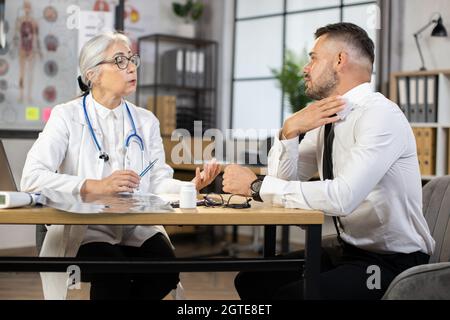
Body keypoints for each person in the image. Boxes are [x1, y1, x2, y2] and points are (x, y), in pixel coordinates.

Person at [222, 22, 435, 300]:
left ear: (339, 60)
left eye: (313, 58)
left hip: (391, 263)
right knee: (253, 281)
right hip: (347, 250)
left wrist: (257, 186)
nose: (305, 68)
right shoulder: (328, 118)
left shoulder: (381, 115)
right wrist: (289, 132)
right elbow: (283, 185)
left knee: (291, 296)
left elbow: (342, 197)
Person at [21, 32, 220, 300]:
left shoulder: (145, 120)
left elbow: (158, 180)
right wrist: (96, 186)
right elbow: (32, 178)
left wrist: (189, 187)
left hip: (135, 224)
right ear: (92, 74)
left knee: (166, 272)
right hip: (85, 227)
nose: (131, 66)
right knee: (114, 272)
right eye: (119, 60)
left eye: (132, 59)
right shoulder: (66, 116)